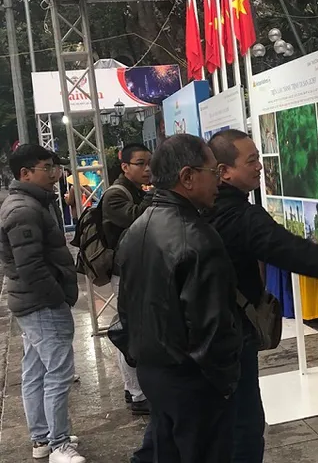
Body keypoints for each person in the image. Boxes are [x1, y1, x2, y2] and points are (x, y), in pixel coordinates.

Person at [206, 129, 318, 463]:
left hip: (203, 335)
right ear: (224, 171)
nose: (260, 166)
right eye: (252, 160)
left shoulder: (202, 210)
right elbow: (292, 251)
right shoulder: (241, 216)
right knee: (245, 423)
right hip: (232, 333)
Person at [116, 134, 243, 463]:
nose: (219, 182)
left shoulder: (137, 228)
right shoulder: (198, 238)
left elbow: (126, 307)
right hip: (192, 381)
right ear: (188, 177)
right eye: (213, 173)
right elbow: (212, 328)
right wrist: (225, 382)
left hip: (154, 372)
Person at [0, 144, 85, 463]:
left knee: (35, 371)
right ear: (25, 173)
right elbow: (31, 266)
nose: (55, 174)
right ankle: (59, 444)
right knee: (59, 373)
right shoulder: (23, 209)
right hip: (42, 305)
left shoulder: (27, 203)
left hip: (33, 303)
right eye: (47, 168)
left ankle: (43, 438)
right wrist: (57, 298)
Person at [102, 143, 154, 416]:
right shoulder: (115, 195)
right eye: (141, 163)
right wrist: (153, 195)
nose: (148, 169)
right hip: (124, 274)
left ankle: (132, 387)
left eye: (150, 163)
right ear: (125, 167)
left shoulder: (134, 190)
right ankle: (137, 395)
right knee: (128, 333)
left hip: (136, 271)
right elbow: (136, 221)